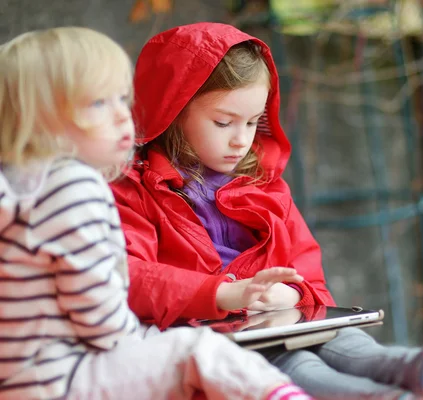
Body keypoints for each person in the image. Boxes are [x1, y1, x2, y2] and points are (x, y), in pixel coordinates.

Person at [111, 22, 423, 399]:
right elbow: (129, 277)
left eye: (252, 122)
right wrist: (224, 293)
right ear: (172, 113)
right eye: (223, 122)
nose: (240, 139)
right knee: (302, 371)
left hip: (274, 325)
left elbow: (308, 272)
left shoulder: (266, 186)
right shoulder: (133, 189)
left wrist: (296, 296)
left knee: (353, 345)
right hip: (212, 344)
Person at [0, 26, 313, 400]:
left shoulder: (21, 186)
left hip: (25, 373)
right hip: (62, 376)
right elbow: (100, 321)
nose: (123, 117)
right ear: (41, 117)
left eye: (121, 99)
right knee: (199, 352)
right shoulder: (73, 188)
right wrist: (149, 342)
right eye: (99, 104)